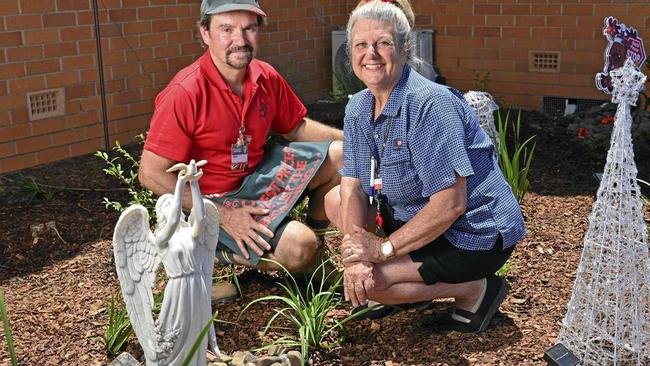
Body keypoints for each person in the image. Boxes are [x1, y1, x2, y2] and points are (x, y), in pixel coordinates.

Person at [324, 0, 525, 333]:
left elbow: (451, 204)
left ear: (405, 49)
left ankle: (476, 289)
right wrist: (357, 256)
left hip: (471, 233)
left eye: (383, 43)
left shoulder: (430, 104)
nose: (370, 53)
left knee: (373, 285)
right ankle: (413, 289)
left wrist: (384, 249)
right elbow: (353, 185)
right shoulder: (359, 107)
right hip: (417, 218)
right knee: (336, 200)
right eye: (361, 44)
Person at [139, 0, 344, 302]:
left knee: (343, 154)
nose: (240, 40)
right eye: (227, 29)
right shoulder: (184, 92)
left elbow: (296, 127)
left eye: (249, 28)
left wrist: (357, 139)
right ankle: (220, 252)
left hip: (259, 180)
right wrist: (223, 216)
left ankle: (317, 253)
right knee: (300, 246)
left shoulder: (264, 75)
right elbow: (151, 174)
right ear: (205, 34)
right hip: (215, 203)